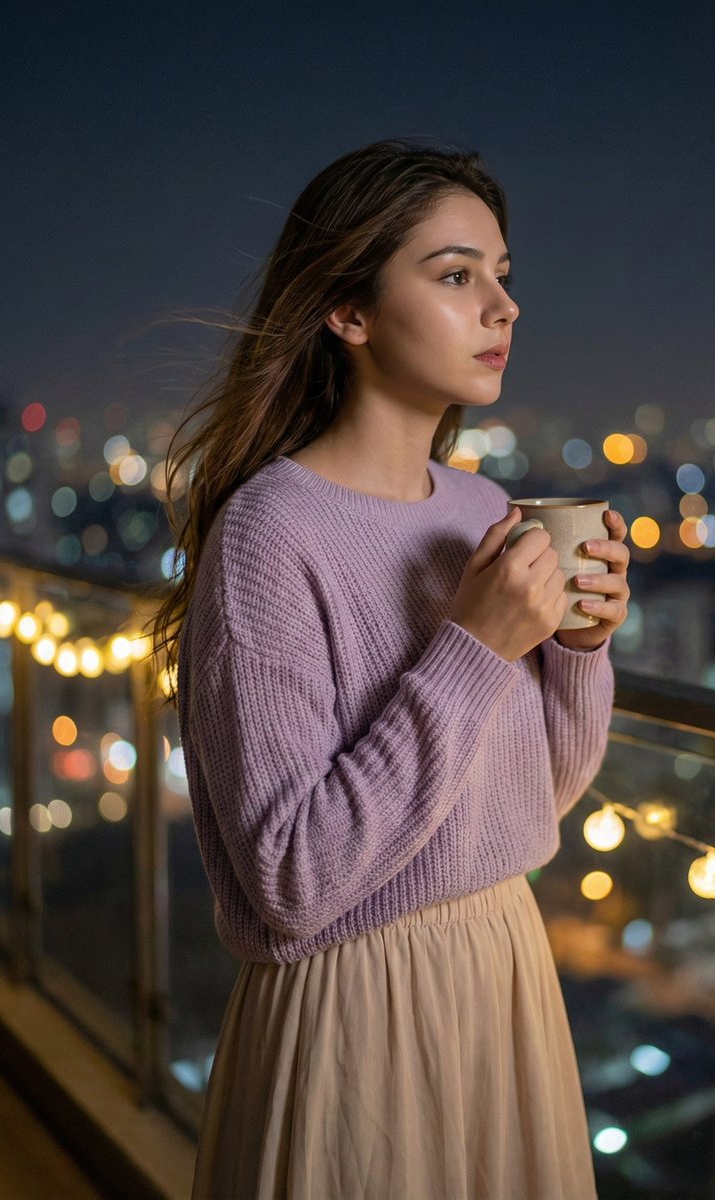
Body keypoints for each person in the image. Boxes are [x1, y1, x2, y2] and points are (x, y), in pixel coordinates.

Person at [150, 136, 631, 1200]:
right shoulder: (271, 533)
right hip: (356, 1003)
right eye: (456, 275)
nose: (501, 307)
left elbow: (532, 800)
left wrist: (580, 651)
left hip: (503, 967)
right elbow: (290, 882)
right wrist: (474, 647)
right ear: (348, 311)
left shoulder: (479, 510)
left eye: (503, 277)